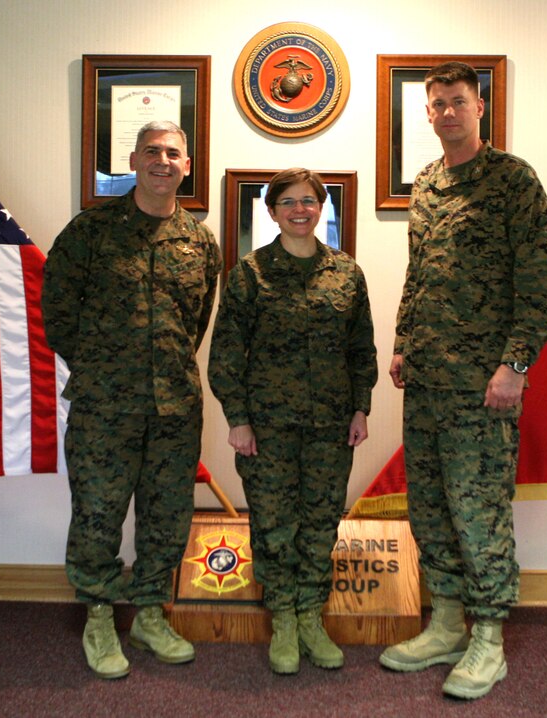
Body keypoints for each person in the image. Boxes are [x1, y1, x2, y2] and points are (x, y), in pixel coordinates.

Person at [379, 62, 547, 700]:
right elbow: (420, 272)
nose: (447, 113)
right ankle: (448, 621)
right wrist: (402, 344)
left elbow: (541, 288)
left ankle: (488, 637)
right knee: (430, 509)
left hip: (483, 386)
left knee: (479, 511)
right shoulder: (426, 184)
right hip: (427, 383)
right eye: (437, 105)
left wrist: (515, 367)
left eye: (458, 102)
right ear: (427, 114)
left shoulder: (513, 182)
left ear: (480, 108)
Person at [41, 120, 222, 680]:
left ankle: (148, 612)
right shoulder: (90, 232)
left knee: (167, 517)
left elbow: (197, 323)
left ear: (187, 166)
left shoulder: (200, 242)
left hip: (174, 407)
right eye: (152, 151)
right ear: (134, 160)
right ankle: (99, 613)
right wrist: (102, 368)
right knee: (98, 514)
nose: (162, 161)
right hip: (104, 407)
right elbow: (57, 315)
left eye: (173, 153)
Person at [208, 168, 378, 675]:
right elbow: (226, 353)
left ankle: (311, 616)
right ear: (271, 210)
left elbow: (360, 347)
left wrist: (361, 406)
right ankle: (282, 617)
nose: (299, 209)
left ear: (321, 207)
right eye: (288, 202)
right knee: (274, 525)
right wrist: (237, 419)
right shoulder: (248, 274)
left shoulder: (347, 273)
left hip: (331, 426)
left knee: (321, 523)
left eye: (309, 200)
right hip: (267, 428)